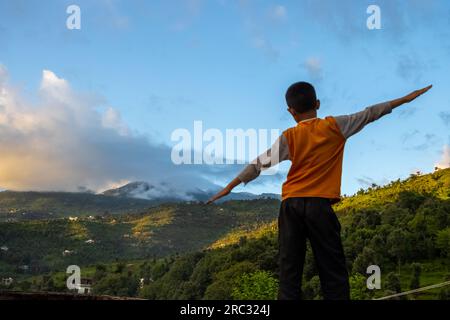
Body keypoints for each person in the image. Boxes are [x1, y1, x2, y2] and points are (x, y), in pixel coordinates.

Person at [207, 82, 432, 300]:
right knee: (332, 271)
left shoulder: (289, 136)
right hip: (319, 206)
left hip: (291, 205)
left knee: (289, 272)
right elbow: (370, 113)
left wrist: (229, 187)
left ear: (290, 111)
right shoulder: (335, 126)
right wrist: (406, 97)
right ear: (318, 103)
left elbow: (258, 164)